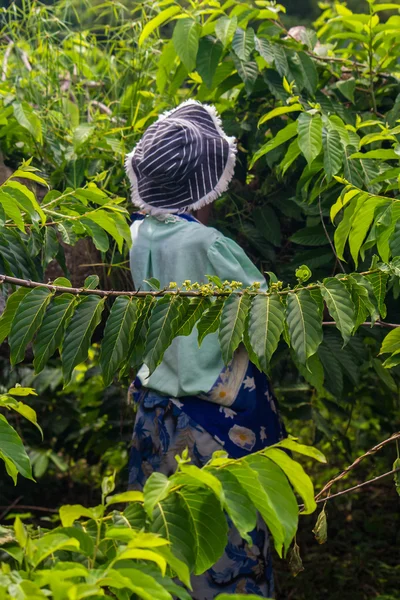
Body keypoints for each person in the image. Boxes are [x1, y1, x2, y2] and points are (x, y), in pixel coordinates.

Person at [125, 100, 285, 598]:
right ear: (201, 191)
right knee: (229, 534)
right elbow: (263, 308)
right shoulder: (208, 244)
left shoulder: (137, 236)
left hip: (156, 408)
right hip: (217, 415)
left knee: (166, 525)